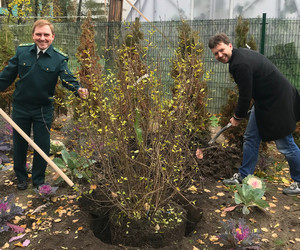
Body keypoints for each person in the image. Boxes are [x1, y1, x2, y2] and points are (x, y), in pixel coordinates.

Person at [0, 19, 88, 190]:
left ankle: (39, 179)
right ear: (33, 35)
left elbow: (67, 79)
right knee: (19, 144)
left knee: (42, 144)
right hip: (21, 108)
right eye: (39, 34)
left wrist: (78, 89)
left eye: (46, 35)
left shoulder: (59, 58)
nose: (42, 38)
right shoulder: (22, 52)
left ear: (52, 37)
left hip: (43, 109)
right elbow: (6, 76)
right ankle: (21, 178)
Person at [208, 33, 300, 196]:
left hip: (277, 102)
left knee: (285, 145)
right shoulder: (238, 58)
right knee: (251, 137)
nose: (220, 55)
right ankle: (244, 176)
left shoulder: (239, 64)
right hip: (265, 101)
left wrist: (237, 117)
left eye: (221, 50)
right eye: (216, 53)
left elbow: (245, 95)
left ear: (230, 46)